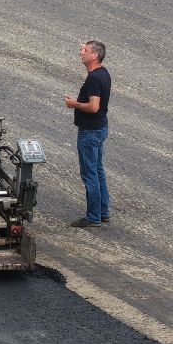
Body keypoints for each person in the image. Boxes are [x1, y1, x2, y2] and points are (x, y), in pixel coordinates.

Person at [65, 40, 111, 228]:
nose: (80, 52)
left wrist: (74, 104)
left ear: (94, 55)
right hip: (100, 128)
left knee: (90, 174)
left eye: (85, 50)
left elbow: (93, 107)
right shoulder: (103, 73)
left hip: (90, 132)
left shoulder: (93, 78)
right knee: (98, 171)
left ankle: (93, 217)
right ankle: (103, 212)